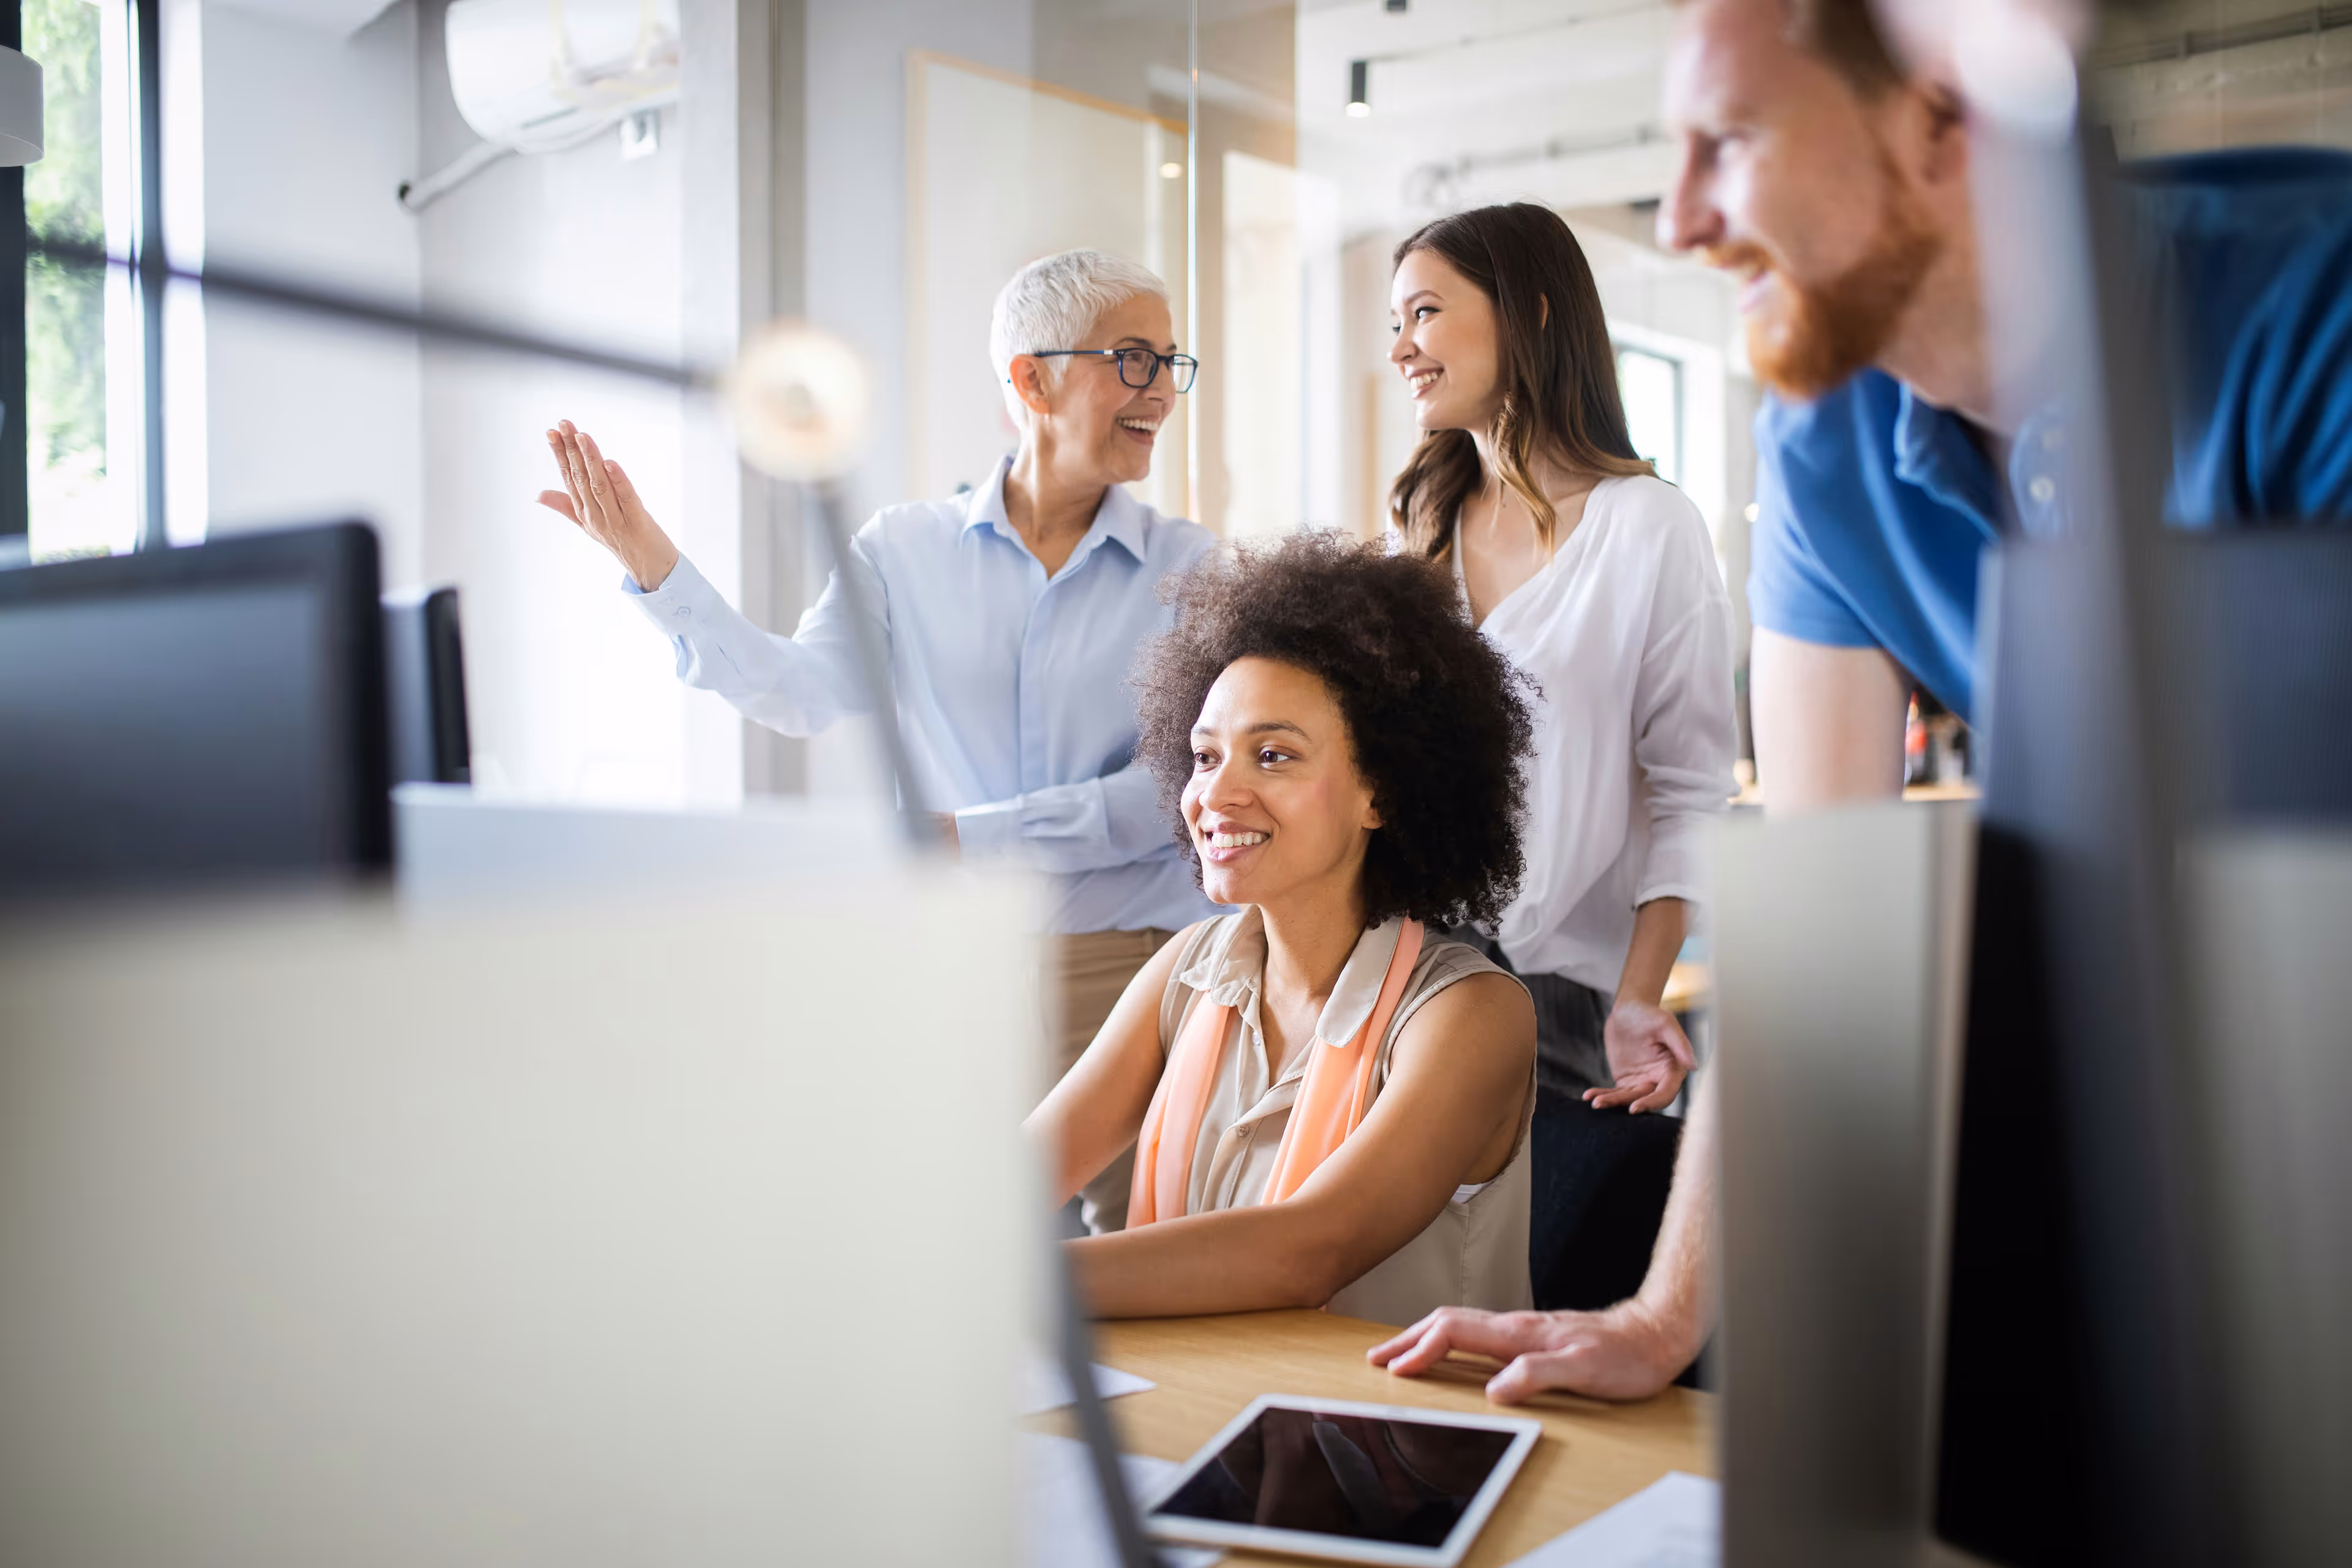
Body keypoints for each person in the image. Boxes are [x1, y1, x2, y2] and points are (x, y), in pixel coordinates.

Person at [1373, 0, 2352, 1404]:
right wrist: (1664, 1315)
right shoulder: (1828, 442)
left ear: (1946, 115)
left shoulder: (2310, 309)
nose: (1690, 219)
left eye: (1733, 142)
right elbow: (1820, 924)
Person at [536, 249, 1219, 1231]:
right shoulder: (905, 550)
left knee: (1147, 1255)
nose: (1160, 389)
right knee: (965, 1256)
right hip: (959, 967)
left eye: (1168, 361)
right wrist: (656, 567)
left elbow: (1170, 797)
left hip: (1135, 964)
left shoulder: (1194, 571)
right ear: (1031, 377)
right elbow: (797, 691)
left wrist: (963, 839)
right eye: (1133, 358)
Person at [1028, 533, 1540, 1324]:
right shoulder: (1185, 970)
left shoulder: (1471, 1015)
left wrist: (990, 1278)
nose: (1215, 795)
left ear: (1383, 794)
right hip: (1207, 1412)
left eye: (1272, 756)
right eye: (1204, 757)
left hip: (1401, 1439)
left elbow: (1309, 1251)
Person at [1384, 203, 1736, 1129]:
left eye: (1423, 313)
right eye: (1397, 323)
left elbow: (1690, 793)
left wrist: (1638, 996)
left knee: (1533, 1274)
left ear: (1531, 313)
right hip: (1396, 980)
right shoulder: (1419, 532)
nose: (1402, 349)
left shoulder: (1648, 528)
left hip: (1561, 1007)